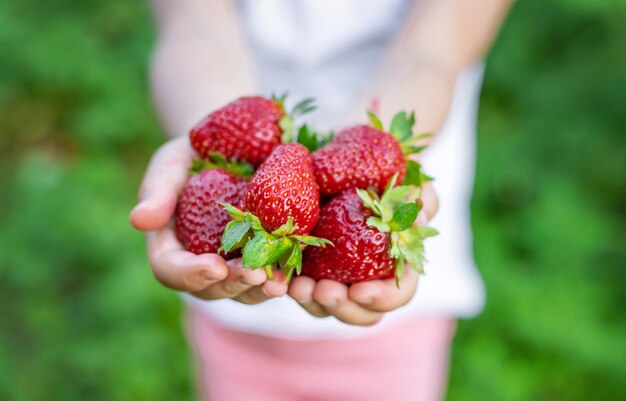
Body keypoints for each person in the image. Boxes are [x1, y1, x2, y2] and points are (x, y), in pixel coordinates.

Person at [130, 1, 511, 400]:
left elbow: (435, 52)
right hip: (233, 310)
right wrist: (208, 125)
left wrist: (387, 154)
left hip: (399, 327)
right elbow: (195, 27)